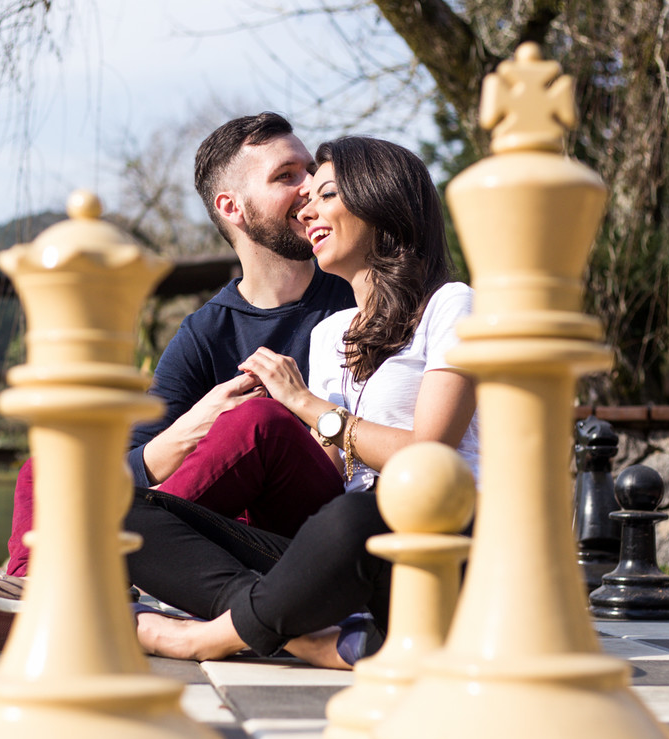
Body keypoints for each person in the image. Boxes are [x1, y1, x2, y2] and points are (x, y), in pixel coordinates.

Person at [0, 113, 355, 651]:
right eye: (286, 176)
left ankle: (70, 583)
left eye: (310, 173)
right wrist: (191, 427)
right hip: (232, 548)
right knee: (50, 467)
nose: (309, 191)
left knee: (259, 421)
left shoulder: (352, 292)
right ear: (232, 208)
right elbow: (127, 460)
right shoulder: (206, 331)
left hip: (325, 530)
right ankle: (40, 582)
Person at [124, 135, 478, 670]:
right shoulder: (331, 332)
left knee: (353, 517)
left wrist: (306, 405)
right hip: (341, 558)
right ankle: (309, 638)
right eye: (303, 194)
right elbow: (328, 473)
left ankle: (205, 638)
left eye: (326, 193)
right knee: (123, 515)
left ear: (381, 198)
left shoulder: (451, 305)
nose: (306, 208)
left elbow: (429, 458)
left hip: (429, 544)